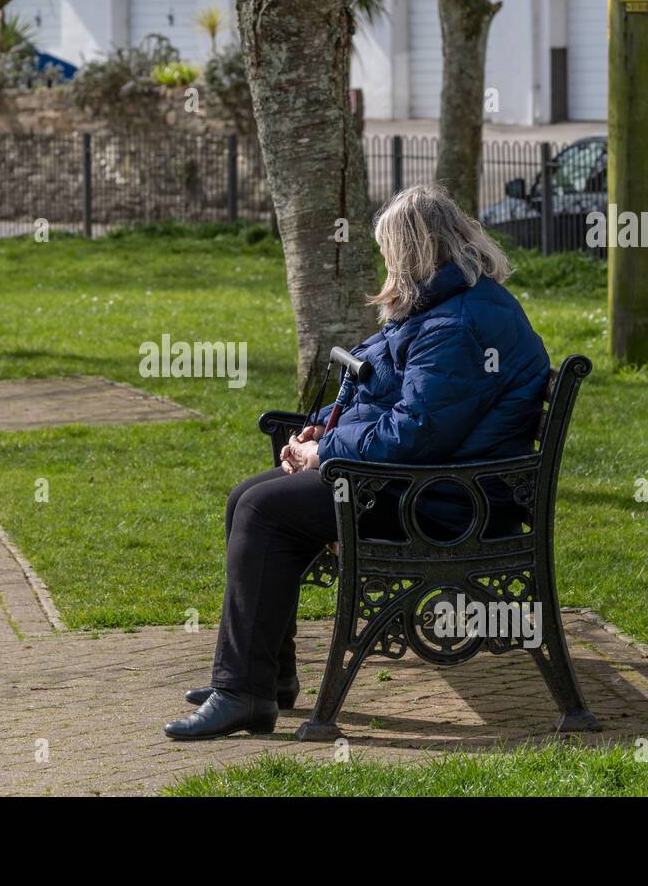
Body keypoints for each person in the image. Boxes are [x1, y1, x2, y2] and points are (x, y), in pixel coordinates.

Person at [164, 184, 551, 741]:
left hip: (445, 501)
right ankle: (264, 677)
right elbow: (382, 391)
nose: (386, 264)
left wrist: (326, 450)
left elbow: (414, 434)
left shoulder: (456, 324)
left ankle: (244, 691)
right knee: (248, 497)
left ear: (414, 251)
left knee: (265, 511)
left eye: (390, 252)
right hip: (423, 480)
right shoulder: (446, 303)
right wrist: (322, 425)